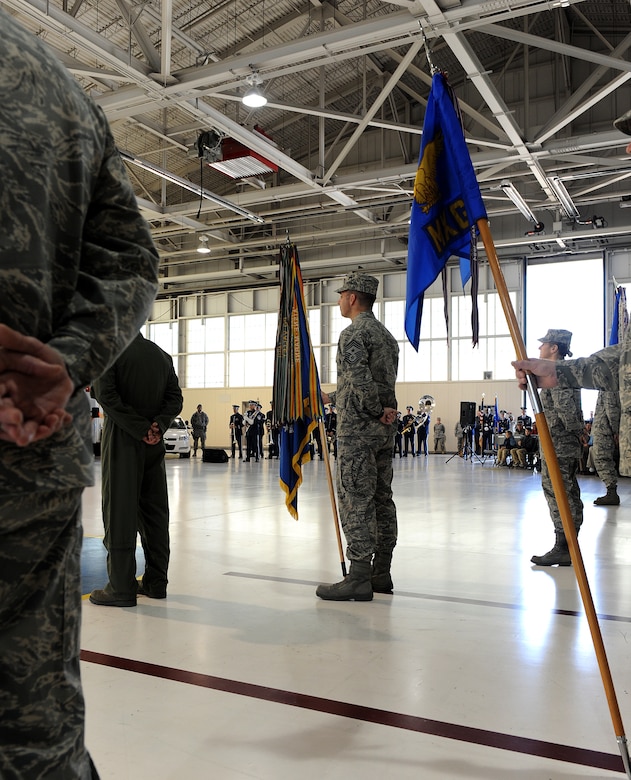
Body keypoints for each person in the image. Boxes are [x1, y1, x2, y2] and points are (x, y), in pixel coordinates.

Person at [0, 10, 160, 778]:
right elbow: (133, 259)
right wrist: (62, 367)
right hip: (33, 451)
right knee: (35, 728)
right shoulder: (61, 88)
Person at [316, 272, 398, 601]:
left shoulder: (353, 334)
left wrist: (374, 408)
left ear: (352, 298)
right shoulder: (385, 335)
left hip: (359, 431)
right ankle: (381, 572)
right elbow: (369, 381)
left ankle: (359, 575)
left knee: (355, 498)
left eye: (341, 295)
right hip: (382, 431)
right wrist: (332, 397)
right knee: (381, 498)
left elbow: (362, 381)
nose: (338, 300)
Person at [90, 333, 183, 606]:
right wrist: (159, 425)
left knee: (119, 511)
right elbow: (175, 398)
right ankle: (156, 582)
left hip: (123, 440)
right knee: (155, 512)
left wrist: (139, 428)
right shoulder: (161, 355)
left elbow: (106, 395)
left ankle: (120, 588)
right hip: (154, 444)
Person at [516, 329, 584, 566]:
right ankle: (567, 543)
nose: (540, 349)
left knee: (559, 491)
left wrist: (576, 435)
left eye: (544, 344)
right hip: (557, 443)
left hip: (560, 444)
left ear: (554, 348)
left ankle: (564, 546)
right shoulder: (561, 374)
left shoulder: (560, 375)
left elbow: (567, 413)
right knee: (562, 490)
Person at [591, 391, 621, 505]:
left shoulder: (606, 382)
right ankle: (611, 491)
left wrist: (615, 430)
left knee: (602, 458)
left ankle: (611, 492)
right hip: (605, 427)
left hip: (605, 429)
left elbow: (611, 407)